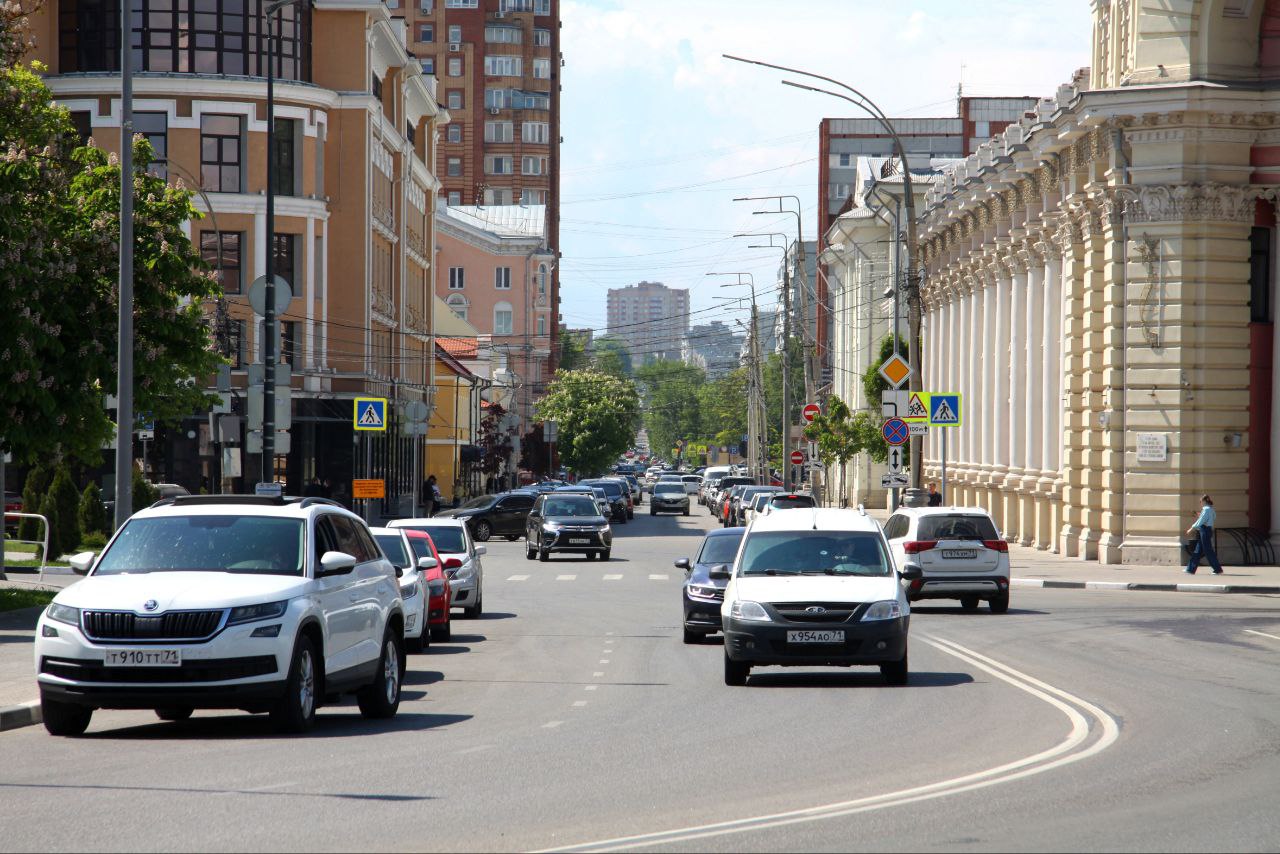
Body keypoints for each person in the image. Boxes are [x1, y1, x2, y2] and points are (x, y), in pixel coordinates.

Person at [1184, 494, 1224, 575]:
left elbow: (1200, 521)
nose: (1200, 503)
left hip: (1204, 530)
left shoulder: (1206, 509)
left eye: (1200, 501)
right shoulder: (1211, 509)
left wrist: (1191, 529)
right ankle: (1190, 569)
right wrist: (1201, 515)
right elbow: (1213, 517)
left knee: (1208, 551)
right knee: (1198, 551)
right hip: (1207, 530)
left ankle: (1218, 569)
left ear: (1204, 501)